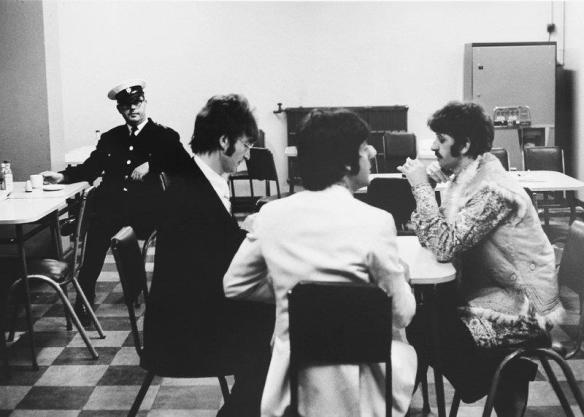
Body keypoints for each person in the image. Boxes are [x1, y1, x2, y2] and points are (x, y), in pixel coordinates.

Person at [223, 109, 417, 417]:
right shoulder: (376, 221)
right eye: (364, 147)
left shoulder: (271, 215)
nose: (372, 152)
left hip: (293, 383)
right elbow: (402, 314)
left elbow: (235, 285)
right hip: (362, 387)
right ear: (347, 163)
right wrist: (401, 280)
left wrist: (290, 293)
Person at [398, 101, 564, 417]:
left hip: (522, 309)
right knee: (419, 318)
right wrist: (429, 188)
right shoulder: (466, 179)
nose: (433, 147)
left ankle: (497, 379)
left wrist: (421, 187)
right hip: (489, 292)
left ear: (464, 145)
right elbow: (431, 236)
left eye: (441, 139)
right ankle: (494, 380)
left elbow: (442, 246)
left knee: (424, 327)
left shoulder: (493, 190)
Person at [141, 94, 274, 417]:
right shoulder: (189, 191)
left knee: (274, 321)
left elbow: (213, 250)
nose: (247, 154)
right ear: (224, 141)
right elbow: (218, 266)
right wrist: (256, 237)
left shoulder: (198, 179)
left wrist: (246, 234)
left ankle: (246, 407)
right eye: (245, 145)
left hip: (193, 309)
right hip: (184, 332)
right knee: (278, 329)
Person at [41, 80, 191, 324]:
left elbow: (184, 165)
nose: (133, 109)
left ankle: (147, 290)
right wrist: (63, 176)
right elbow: (91, 167)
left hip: (146, 211)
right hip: (111, 208)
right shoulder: (111, 138)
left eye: (137, 103)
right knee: (96, 235)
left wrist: (152, 165)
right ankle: (85, 297)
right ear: (120, 109)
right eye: (126, 105)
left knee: (154, 237)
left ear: (145, 103)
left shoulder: (164, 136)